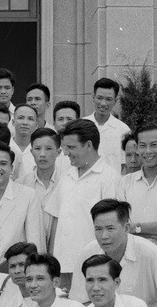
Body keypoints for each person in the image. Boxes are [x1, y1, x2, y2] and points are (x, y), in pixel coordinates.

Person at [45, 119, 120, 288]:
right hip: (62, 265)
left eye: (71, 147)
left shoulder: (109, 178)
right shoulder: (66, 176)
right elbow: (56, 220)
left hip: (93, 267)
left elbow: (112, 226)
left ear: (88, 145)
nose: (66, 153)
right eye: (65, 147)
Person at [118, 124, 157, 251]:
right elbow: (121, 226)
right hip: (131, 253)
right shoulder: (125, 182)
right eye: (142, 146)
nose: (147, 151)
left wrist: (136, 228)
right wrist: (154, 234)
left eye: (153, 145)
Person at [0, 142, 43, 258]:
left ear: (11, 167)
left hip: (16, 267)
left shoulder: (28, 195)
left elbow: (34, 239)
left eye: (3, 163)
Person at [19, 128, 63, 247]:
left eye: (48, 149)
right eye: (37, 149)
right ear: (31, 151)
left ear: (58, 152)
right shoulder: (20, 184)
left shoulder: (67, 183)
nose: (42, 154)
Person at [83, 77, 131, 174]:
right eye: (99, 98)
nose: (103, 103)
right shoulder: (81, 125)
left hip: (112, 186)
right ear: (93, 98)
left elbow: (125, 165)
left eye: (108, 99)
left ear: (115, 101)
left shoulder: (123, 130)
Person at [9, 104, 38, 179]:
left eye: (30, 119)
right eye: (21, 118)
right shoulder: (4, 147)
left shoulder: (40, 151)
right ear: (13, 122)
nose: (25, 122)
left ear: (36, 125)